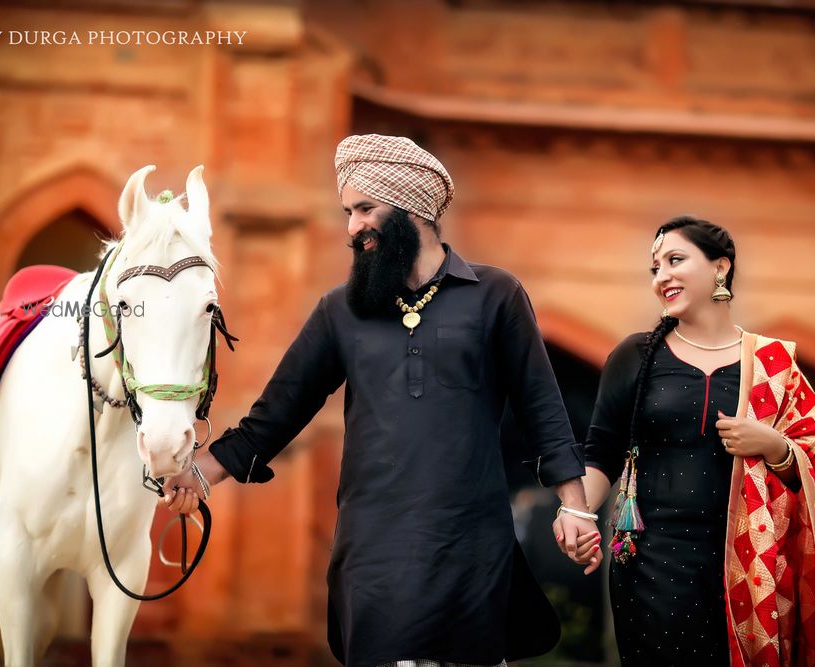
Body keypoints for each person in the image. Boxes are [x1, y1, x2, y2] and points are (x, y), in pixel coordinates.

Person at [163, 134, 600, 667]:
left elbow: (542, 409)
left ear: (411, 207)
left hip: (472, 548)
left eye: (365, 208)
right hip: (372, 552)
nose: (352, 226)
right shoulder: (340, 311)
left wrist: (576, 508)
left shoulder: (495, 295)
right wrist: (199, 472)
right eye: (348, 211)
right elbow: (274, 417)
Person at [555, 216, 815, 666]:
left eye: (675, 260)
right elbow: (602, 452)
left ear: (720, 268)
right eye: (655, 268)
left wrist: (773, 445)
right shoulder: (635, 355)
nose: (662, 276)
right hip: (650, 563)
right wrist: (576, 512)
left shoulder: (773, 365)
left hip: (750, 567)